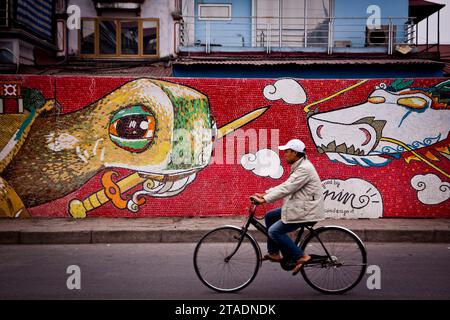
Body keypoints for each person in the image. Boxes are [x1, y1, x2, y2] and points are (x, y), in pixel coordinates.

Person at [251, 138, 324, 275]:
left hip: (307, 211)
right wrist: (265, 194)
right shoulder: (300, 166)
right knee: (270, 216)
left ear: (295, 153)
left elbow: (287, 189)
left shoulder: (304, 169)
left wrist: (265, 200)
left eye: (287, 151)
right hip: (301, 206)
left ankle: (302, 256)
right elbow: (286, 185)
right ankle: (274, 253)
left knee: (274, 231)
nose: (284, 154)